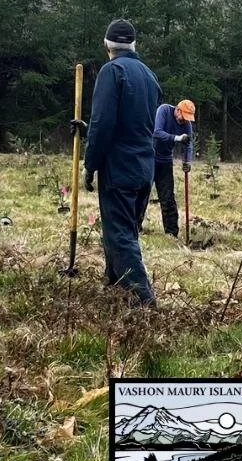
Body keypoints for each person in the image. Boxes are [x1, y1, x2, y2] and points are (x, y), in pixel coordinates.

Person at [75, 19, 161, 306]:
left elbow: (103, 123)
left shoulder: (112, 71)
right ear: (134, 45)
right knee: (125, 230)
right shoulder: (149, 75)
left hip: (119, 167)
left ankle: (143, 299)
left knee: (120, 234)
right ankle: (115, 286)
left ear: (107, 46)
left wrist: (90, 163)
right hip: (144, 167)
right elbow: (135, 121)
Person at [152, 99, 195, 238]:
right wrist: (177, 138)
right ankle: (135, 227)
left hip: (165, 160)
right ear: (177, 110)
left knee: (168, 198)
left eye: (188, 118)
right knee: (141, 193)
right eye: (184, 117)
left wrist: (187, 161)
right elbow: (157, 132)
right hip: (149, 156)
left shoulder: (186, 124)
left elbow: (188, 144)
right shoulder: (164, 110)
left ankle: (171, 233)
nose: (184, 121)